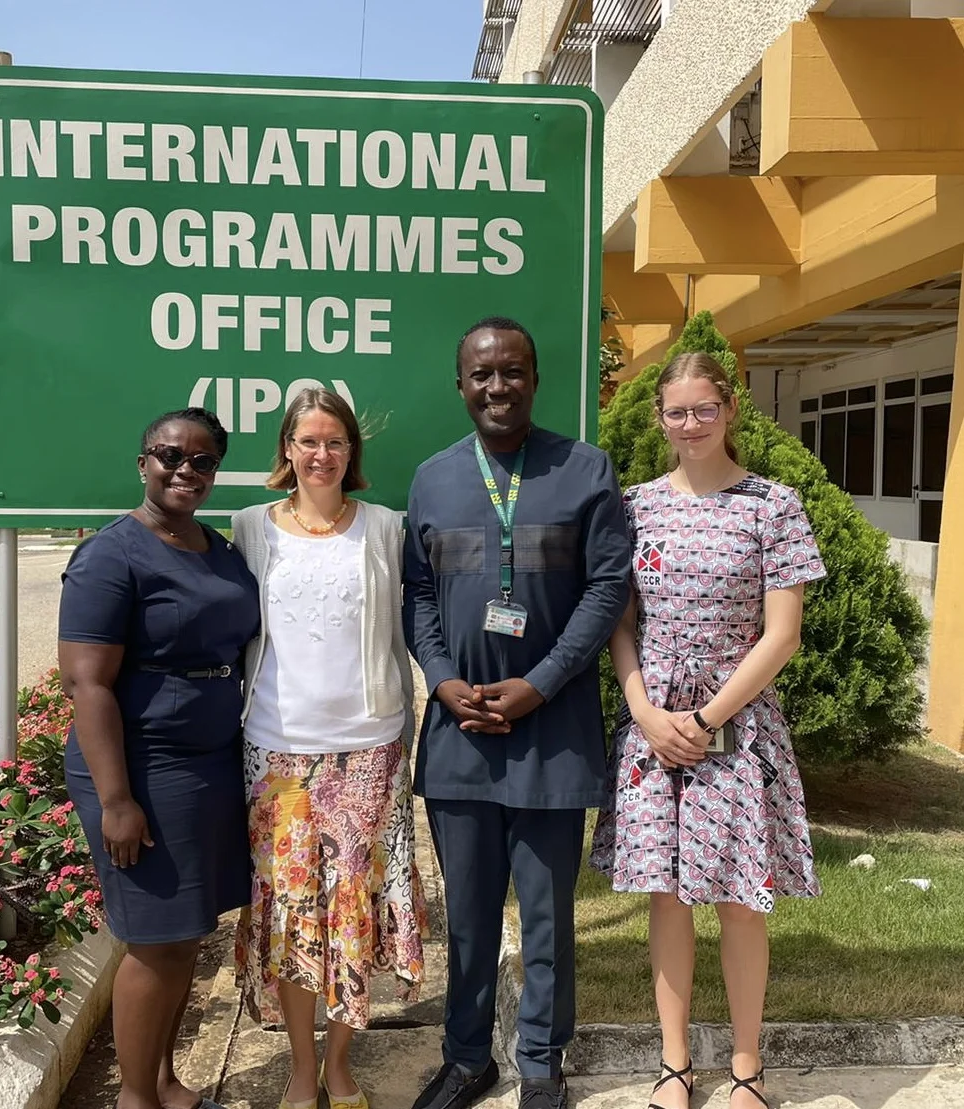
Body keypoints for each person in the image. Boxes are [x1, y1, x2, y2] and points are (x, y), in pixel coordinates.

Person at [403, 317, 632, 1109]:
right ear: (460, 385)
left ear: (534, 378)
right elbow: (420, 593)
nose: (496, 386)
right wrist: (438, 678)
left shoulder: (585, 469)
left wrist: (540, 681)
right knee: (464, 918)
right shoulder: (432, 478)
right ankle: (467, 1057)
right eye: (481, 374)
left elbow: (607, 589)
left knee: (545, 917)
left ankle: (540, 1062)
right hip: (458, 732)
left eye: (511, 371)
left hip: (551, 730)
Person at [590, 352, 827, 1109]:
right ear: (657, 419)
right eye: (674, 412)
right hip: (653, 723)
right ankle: (674, 1062)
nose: (689, 424)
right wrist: (644, 713)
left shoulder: (772, 505)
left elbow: (781, 633)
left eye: (702, 409)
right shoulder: (631, 507)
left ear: (729, 409)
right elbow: (618, 622)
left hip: (736, 726)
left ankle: (748, 1066)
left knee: (737, 899)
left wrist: (704, 716)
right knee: (665, 895)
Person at [58, 407, 259, 1109]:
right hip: (140, 765)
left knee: (185, 935)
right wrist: (116, 799)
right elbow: (87, 683)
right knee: (154, 940)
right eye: (169, 455)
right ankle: (136, 1098)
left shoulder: (217, 546)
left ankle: (166, 1080)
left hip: (208, 761)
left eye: (202, 461)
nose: (185, 470)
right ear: (142, 461)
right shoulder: (112, 554)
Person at [231, 387, 426, 1109]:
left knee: (353, 908)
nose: (320, 454)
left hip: (368, 746)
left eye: (334, 442)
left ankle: (340, 1063)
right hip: (277, 750)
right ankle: (300, 1070)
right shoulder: (250, 526)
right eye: (307, 441)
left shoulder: (383, 527)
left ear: (352, 453)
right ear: (286, 448)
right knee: (288, 912)